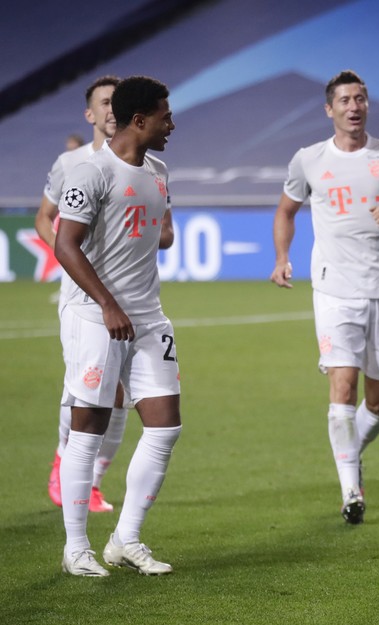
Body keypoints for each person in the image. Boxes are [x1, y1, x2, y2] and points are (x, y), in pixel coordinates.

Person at [271, 70, 379, 525]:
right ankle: (351, 490)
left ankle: (350, 454)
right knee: (342, 388)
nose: (353, 106)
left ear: (367, 105)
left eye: (360, 98)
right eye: (344, 99)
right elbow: (286, 210)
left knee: (378, 402)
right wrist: (282, 256)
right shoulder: (308, 160)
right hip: (334, 289)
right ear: (330, 109)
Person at [54, 75, 180, 577]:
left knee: (166, 425)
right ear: (139, 120)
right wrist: (107, 304)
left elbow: (156, 229)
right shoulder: (91, 172)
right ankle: (76, 547)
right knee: (88, 429)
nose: (172, 124)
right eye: (165, 116)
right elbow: (66, 245)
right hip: (96, 317)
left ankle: (125, 539)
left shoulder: (160, 169)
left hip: (147, 315)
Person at [37, 75, 164, 515]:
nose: (111, 111)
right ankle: (65, 460)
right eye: (103, 103)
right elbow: (52, 226)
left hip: (137, 307)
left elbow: (162, 230)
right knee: (91, 400)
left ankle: (93, 480)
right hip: (87, 302)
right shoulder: (75, 166)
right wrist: (76, 275)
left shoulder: (152, 168)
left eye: (115, 102)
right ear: (90, 114)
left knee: (121, 400)